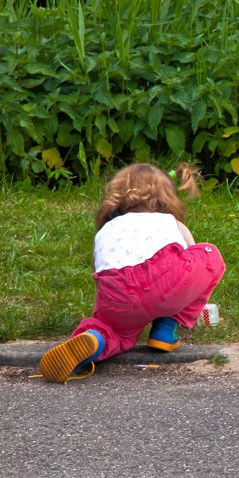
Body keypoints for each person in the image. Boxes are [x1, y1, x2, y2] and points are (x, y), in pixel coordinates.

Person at [38, 163, 226, 383]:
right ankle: (166, 329)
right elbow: (192, 256)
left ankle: (94, 340)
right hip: (166, 284)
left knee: (115, 332)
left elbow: (98, 272)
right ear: (164, 197)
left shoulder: (105, 230)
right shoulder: (170, 222)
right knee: (208, 255)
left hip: (117, 295)